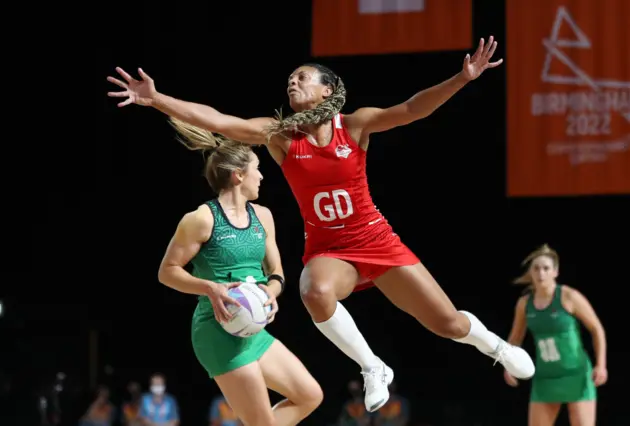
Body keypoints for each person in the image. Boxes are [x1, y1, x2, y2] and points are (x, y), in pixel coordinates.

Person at [108, 35, 534, 412]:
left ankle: (497, 346)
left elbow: (410, 110)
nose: (292, 82)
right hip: (331, 251)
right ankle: (372, 366)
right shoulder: (280, 137)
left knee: (449, 325)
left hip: (377, 240)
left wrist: (462, 78)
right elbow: (220, 122)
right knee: (313, 290)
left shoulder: (354, 124)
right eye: (290, 79)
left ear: (328, 90)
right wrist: (157, 99)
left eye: (303, 77)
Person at [156, 122, 323, 426]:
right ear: (239, 175)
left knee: (310, 395)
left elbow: (277, 272)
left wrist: (271, 291)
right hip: (217, 331)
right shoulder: (201, 219)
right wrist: (210, 288)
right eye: (257, 169)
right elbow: (167, 272)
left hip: (252, 329)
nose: (261, 176)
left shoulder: (263, 216)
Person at [504, 244, 607, 426]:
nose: (541, 273)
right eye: (536, 268)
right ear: (531, 272)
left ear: (555, 272)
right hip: (545, 377)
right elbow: (515, 338)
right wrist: (508, 364)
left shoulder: (569, 296)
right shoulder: (524, 304)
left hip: (576, 374)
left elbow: (596, 328)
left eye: (546, 268)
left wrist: (601, 365)